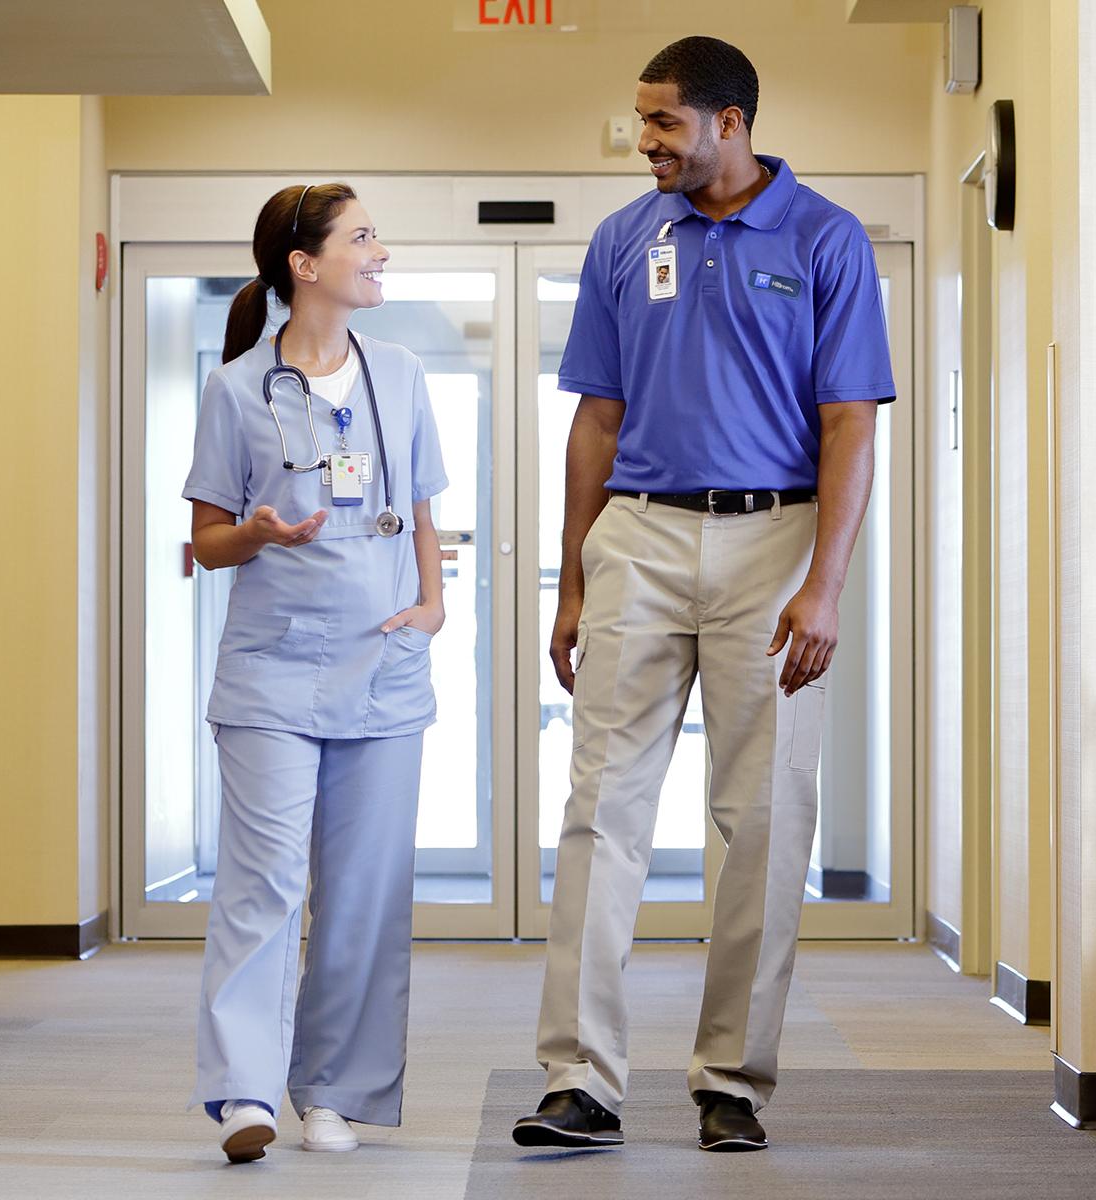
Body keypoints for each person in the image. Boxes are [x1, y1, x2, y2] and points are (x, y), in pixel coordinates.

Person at [512, 37, 895, 1153]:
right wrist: (575, 573)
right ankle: (580, 1078)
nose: (647, 143)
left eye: (665, 122)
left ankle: (731, 1080)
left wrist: (825, 585)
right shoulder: (626, 240)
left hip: (775, 545)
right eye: (642, 121)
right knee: (601, 811)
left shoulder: (824, 239)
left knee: (764, 822)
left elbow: (850, 423)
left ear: (731, 123)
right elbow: (595, 416)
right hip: (638, 535)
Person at [182, 182, 448, 1163]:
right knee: (263, 887)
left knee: (365, 894)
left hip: (382, 665)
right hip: (272, 674)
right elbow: (204, 540)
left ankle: (331, 1089)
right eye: (364, 237)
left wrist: (432, 605)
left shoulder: (403, 372)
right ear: (305, 264)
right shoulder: (236, 389)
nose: (381, 252)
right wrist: (250, 529)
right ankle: (245, 1092)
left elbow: (421, 512)